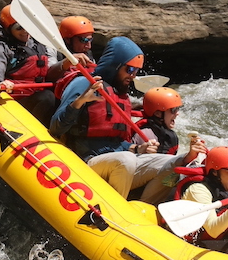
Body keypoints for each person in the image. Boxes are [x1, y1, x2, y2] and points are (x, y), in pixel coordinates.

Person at [50, 37, 178, 198]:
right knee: (126, 160)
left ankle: (145, 208)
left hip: (117, 162)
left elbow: (117, 142)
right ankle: (114, 214)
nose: (133, 76)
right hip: (85, 161)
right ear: (115, 65)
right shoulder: (84, 83)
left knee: (173, 163)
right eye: (130, 70)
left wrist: (138, 149)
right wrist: (81, 101)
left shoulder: (121, 95)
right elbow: (55, 127)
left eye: (136, 71)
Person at [0, 5, 84, 125]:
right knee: (47, 97)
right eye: (19, 28)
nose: (25, 31)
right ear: (8, 29)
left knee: (58, 98)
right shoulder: (4, 47)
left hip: (36, 94)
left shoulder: (38, 44)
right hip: (15, 97)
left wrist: (66, 62)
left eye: (27, 26)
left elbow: (49, 74)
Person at [133, 87, 208, 204]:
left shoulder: (165, 134)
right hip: (138, 187)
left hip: (156, 181)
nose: (177, 113)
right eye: (173, 110)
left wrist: (192, 155)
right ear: (158, 113)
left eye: (177, 109)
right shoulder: (146, 134)